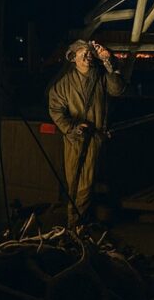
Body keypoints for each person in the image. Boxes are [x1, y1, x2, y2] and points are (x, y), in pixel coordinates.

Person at [47, 39, 125, 228]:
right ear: (73, 58)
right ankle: (75, 221)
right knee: (73, 180)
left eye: (89, 52)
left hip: (95, 137)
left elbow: (118, 89)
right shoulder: (64, 84)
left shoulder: (100, 76)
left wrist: (108, 62)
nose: (87, 56)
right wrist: (72, 127)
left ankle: (75, 222)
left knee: (86, 183)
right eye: (82, 52)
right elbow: (56, 110)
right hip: (75, 138)